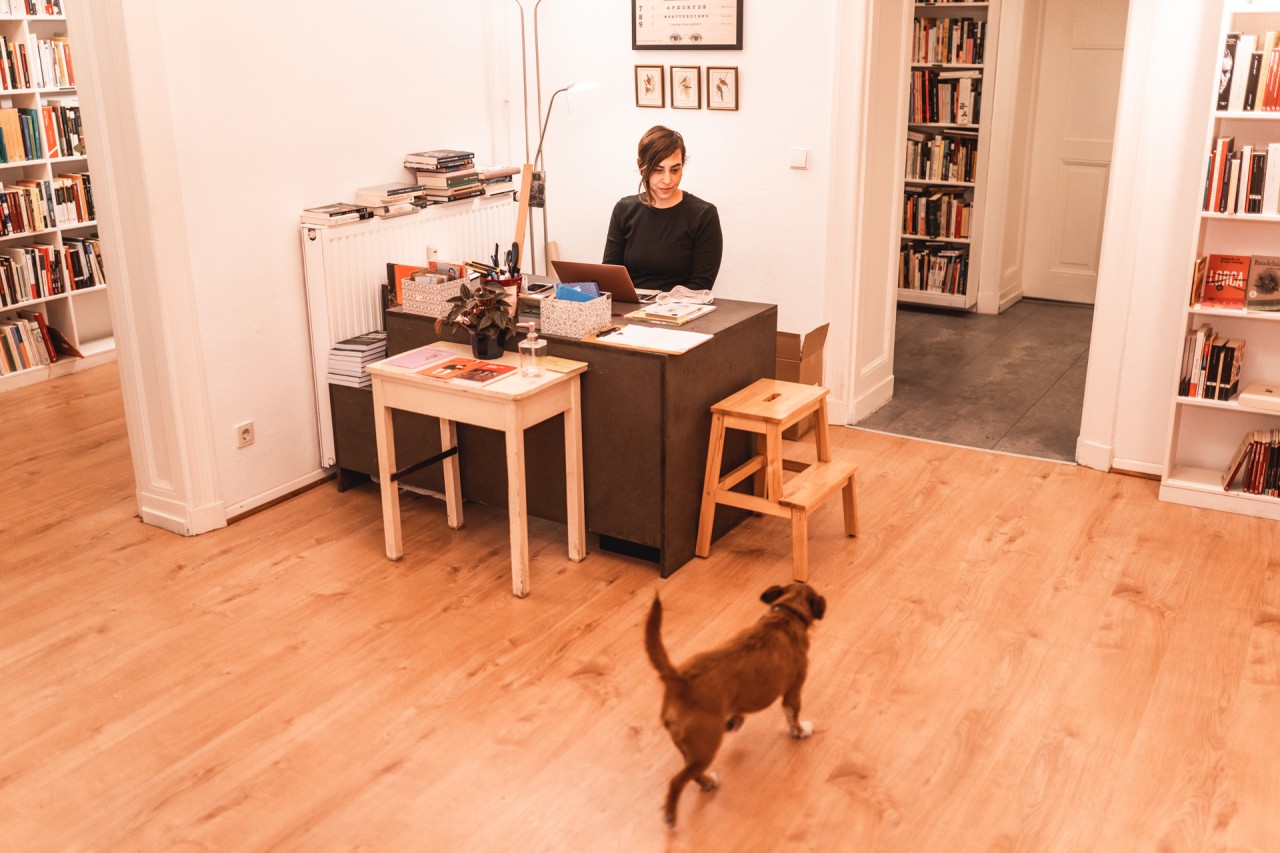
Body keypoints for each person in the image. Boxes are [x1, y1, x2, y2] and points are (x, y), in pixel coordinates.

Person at [603, 125, 723, 292]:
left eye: (675, 170)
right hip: (628, 308)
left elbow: (700, 285)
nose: (667, 180)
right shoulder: (624, 209)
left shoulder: (703, 214)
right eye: (658, 170)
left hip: (679, 310)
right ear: (641, 166)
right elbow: (610, 275)